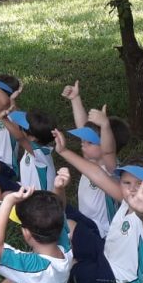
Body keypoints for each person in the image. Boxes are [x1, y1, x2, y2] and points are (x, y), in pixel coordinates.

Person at [53, 130, 143, 283]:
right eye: (127, 183)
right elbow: (97, 175)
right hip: (107, 253)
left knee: (64, 271)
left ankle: (73, 262)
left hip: (123, 279)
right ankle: (74, 259)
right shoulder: (126, 199)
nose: (133, 189)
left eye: (141, 184)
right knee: (69, 224)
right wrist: (64, 151)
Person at [60, 80, 131, 238]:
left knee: (66, 230)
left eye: (90, 142)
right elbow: (83, 128)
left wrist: (105, 126)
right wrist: (75, 99)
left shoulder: (112, 168)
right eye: (83, 141)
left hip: (102, 231)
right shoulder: (92, 160)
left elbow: (108, 151)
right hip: (86, 219)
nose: (83, 144)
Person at [0, 109, 57, 202]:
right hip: (25, 189)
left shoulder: (40, 153)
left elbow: (19, 138)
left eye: (22, 128)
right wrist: (11, 104)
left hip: (39, 200)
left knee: (7, 196)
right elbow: (18, 130)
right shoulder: (36, 149)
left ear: (32, 138)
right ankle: (0, 203)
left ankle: (1, 205)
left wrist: (3, 118)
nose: (19, 128)